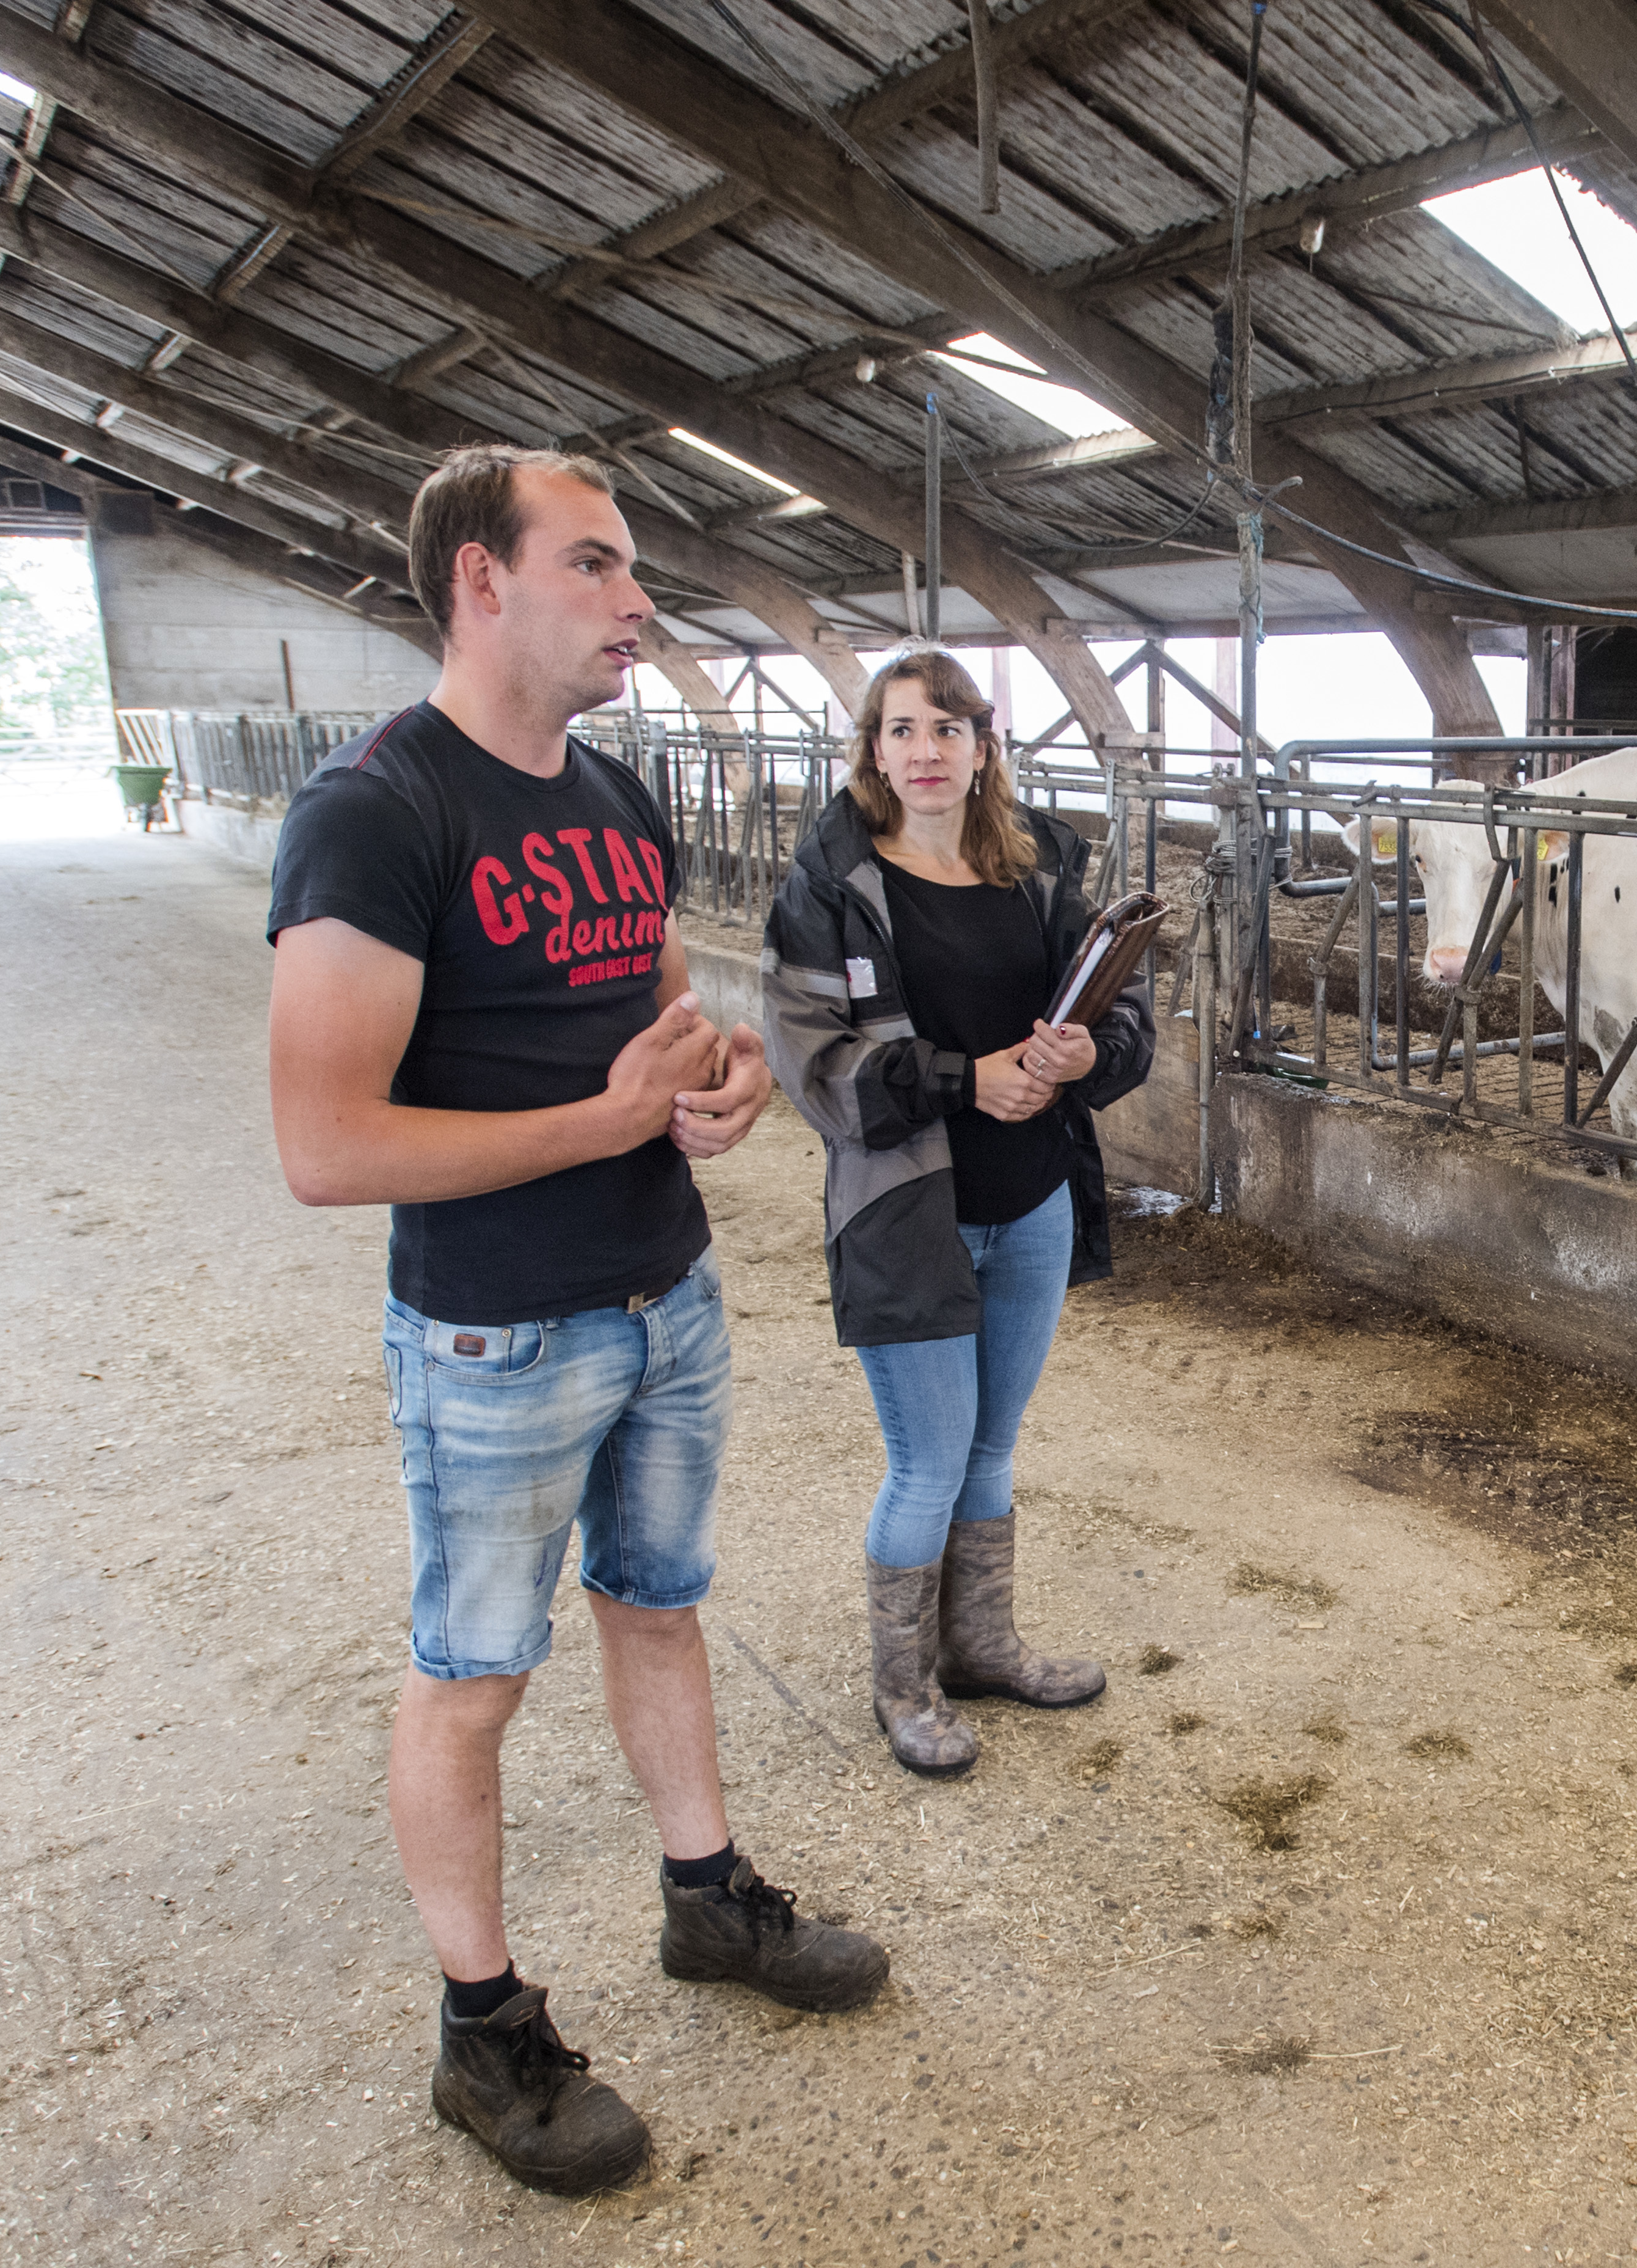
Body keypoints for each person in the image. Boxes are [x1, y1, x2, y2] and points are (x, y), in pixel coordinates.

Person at [265, 445, 888, 2200]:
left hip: (662, 1291)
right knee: (474, 1678)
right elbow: (325, 1148)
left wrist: (722, 1078)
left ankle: (708, 1902)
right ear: (482, 579)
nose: (640, 603)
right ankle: (485, 2032)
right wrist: (600, 1127)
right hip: (495, 1333)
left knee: (662, 1606)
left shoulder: (612, 794)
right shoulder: (377, 814)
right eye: (602, 565)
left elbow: (663, 1002)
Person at [761, 651, 1155, 1776]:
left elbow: (1123, 1012)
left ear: (985, 745)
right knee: (926, 1464)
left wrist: (1090, 1051)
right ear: (872, 751)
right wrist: (961, 1080)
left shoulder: (1038, 873)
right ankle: (904, 1684)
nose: (924, 751)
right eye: (899, 730)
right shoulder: (831, 890)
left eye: (946, 728)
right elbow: (816, 1063)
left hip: (1032, 1200)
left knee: (989, 1453)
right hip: (906, 1210)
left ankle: (982, 1644)